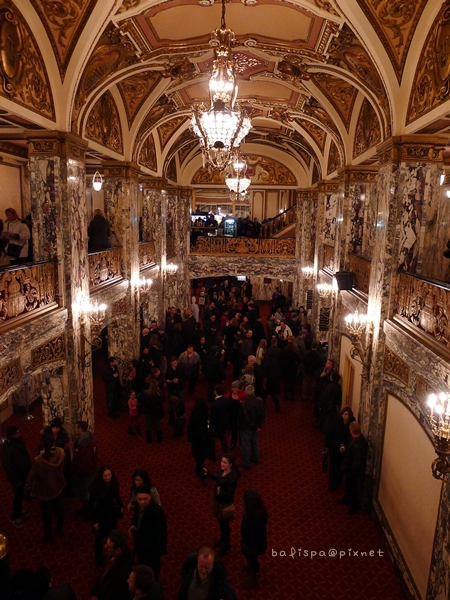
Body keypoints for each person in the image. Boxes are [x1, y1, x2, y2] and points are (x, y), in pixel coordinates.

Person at [29, 433, 66, 543]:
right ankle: (59, 529)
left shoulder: (39, 460)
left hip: (46, 489)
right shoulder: (61, 452)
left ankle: (48, 535)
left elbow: (33, 474)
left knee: (47, 514)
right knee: (60, 510)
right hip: (58, 484)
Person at [204, 453, 240, 556]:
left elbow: (230, 493)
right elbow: (218, 478)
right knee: (220, 523)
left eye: (225, 462)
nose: (222, 464)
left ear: (230, 465)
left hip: (225, 504)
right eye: (222, 461)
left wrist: (220, 492)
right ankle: (222, 539)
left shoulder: (233, 477)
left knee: (225, 525)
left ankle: (227, 544)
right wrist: (209, 474)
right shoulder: (222, 471)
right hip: (218, 501)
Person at [129, 484, 167, 580]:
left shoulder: (158, 513)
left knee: (152, 572)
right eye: (139, 499)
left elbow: (161, 535)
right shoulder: (138, 506)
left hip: (152, 549)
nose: (142, 502)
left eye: (145, 499)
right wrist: (132, 525)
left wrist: (156, 554)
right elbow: (136, 518)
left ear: (150, 496)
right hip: (141, 545)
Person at [89, 465, 124, 566]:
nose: (108, 477)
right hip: (100, 516)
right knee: (99, 540)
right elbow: (91, 506)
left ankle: (111, 557)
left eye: (109, 475)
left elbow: (116, 495)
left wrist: (121, 505)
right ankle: (99, 561)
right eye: (105, 476)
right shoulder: (95, 488)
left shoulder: (113, 483)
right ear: (101, 476)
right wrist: (94, 521)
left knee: (112, 537)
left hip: (111, 514)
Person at [0, 425, 31, 528]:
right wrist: (15, 480)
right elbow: (7, 467)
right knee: (17, 496)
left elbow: (25, 454)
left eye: (19, 432)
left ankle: (20, 509)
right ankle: (15, 517)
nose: (19, 434)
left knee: (21, 493)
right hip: (16, 476)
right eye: (16, 433)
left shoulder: (19, 440)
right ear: (10, 435)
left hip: (23, 472)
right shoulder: (6, 448)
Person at [90, 529, 134, 600]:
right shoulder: (113, 553)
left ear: (118, 550)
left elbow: (114, 594)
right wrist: (95, 592)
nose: (105, 547)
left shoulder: (123, 570)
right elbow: (103, 575)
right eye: (106, 544)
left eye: (109, 547)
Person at [337, 422, 368, 515]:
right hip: (350, 469)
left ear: (351, 431)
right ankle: (346, 499)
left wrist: (351, 471)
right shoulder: (356, 439)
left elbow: (358, 462)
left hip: (354, 472)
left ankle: (354, 506)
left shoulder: (359, 444)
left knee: (354, 489)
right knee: (349, 487)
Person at [240, 489, 268, 589]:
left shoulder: (257, 517)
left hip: (253, 545)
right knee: (249, 557)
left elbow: (255, 535)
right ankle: (251, 566)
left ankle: (255, 577)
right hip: (248, 541)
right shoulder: (253, 511)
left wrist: (249, 545)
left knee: (253, 559)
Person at [324, 406, 355, 493]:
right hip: (334, 448)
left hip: (344, 450)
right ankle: (332, 484)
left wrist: (345, 446)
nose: (344, 416)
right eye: (343, 414)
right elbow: (329, 433)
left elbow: (351, 439)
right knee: (333, 466)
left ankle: (339, 481)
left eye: (346, 414)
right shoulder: (337, 422)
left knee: (341, 466)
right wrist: (326, 445)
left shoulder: (351, 425)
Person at [72, 421, 98, 520]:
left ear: (80, 430)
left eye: (76, 428)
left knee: (82, 492)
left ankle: (89, 512)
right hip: (89, 472)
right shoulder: (87, 438)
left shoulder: (85, 447)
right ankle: (86, 508)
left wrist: (77, 473)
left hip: (84, 474)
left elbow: (84, 464)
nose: (75, 430)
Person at [239, 385, 265, 470]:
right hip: (256, 427)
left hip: (247, 427)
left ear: (246, 393)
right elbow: (262, 415)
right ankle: (255, 458)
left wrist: (254, 426)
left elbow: (246, 418)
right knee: (254, 443)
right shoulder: (260, 401)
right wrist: (258, 426)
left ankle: (246, 463)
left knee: (245, 445)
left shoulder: (244, 403)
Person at [187, 398, 210, 485]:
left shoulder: (194, 414)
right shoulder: (206, 413)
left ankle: (199, 470)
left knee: (197, 456)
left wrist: (190, 438)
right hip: (204, 439)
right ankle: (200, 469)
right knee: (202, 457)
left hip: (196, 440)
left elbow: (190, 427)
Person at [139, 375, 164, 443]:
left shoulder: (145, 394)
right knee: (157, 424)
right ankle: (159, 439)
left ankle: (149, 439)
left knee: (148, 425)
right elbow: (161, 402)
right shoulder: (159, 394)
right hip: (156, 411)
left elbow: (142, 402)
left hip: (148, 412)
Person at [225, 381, 247, 449]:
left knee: (241, 432)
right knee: (233, 431)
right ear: (231, 388)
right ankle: (233, 443)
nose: (235, 389)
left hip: (240, 417)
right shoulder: (228, 395)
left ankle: (241, 444)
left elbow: (247, 403)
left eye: (237, 388)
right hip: (232, 416)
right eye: (234, 388)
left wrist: (242, 403)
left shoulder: (243, 394)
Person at [210, 384, 231, 453]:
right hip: (224, 422)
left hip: (216, 424)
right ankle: (226, 452)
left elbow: (213, 416)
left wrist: (211, 425)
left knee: (213, 439)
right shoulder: (227, 400)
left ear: (215, 392)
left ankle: (212, 453)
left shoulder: (214, 404)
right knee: (223, 439)